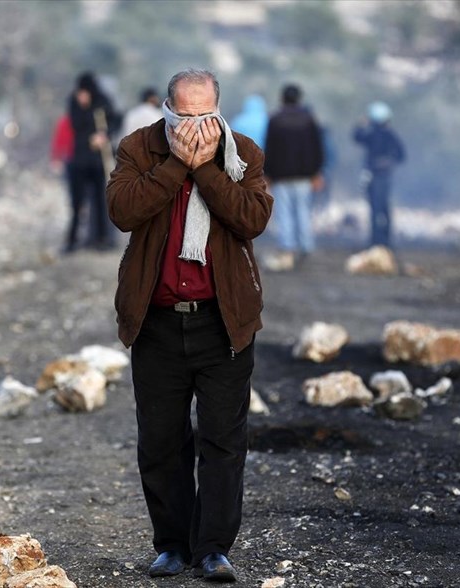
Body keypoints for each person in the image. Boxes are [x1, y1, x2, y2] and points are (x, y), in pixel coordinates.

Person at [106, 68, 272, 583]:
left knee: (223, 442)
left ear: (218, 109)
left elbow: (252, 218)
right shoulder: (139, 148)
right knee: (160, 441)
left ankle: (213, 549)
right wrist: (177, 164)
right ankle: (173, 546)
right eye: (186, 115)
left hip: (223, 323)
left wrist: (206, 171)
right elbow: (122, 210)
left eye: (206, 115)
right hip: (156, 323)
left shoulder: (242, 151)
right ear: (166, 109)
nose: (197, 126)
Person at [263, 84, 324, 270]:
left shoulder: (275, 120)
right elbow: (316, 148)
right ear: (299, 98)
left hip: (281, 177)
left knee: (284, 214)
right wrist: (316, 172)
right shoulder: (308, 120)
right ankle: (306, 246)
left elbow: (270, 149)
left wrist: (268, 174)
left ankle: (287, 248)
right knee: (303, 212)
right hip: (304, 177)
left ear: (282, 98)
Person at [66, 71, 119, 252]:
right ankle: (72, 240)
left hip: (98, 162)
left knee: (100, 201)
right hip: (79, 159)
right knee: (77, 203)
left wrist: (104, 136)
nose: (81, 96)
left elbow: (114, 121)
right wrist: (83, 108)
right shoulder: (74, 102)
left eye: (84, 93)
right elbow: (74, 124)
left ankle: (102, 239)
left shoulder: (103, 101)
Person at [352, 101, 405, 248]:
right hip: (382, 176)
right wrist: (390, 162)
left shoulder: (373, 134)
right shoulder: (390, 135)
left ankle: (377, 241)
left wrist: (360, 124)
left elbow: (357, 137)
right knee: (383, 208)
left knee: (376, 208)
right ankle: (384, 240)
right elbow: (401, 155)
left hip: (376, 176)